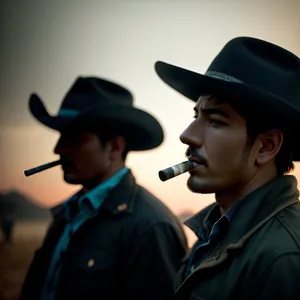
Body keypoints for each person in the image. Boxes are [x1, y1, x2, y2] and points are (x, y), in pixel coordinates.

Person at [154, 36, 300, 300]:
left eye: (216, 122)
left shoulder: (283, 258)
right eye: (196, 116)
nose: (187, 135)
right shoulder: (213, 231)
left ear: (266, 146)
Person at [19, 76, 188, 300]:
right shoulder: (68, 213)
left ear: (114, 148)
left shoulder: (150, 227)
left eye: (74, 139)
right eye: (61, 137)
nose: (58, 149)